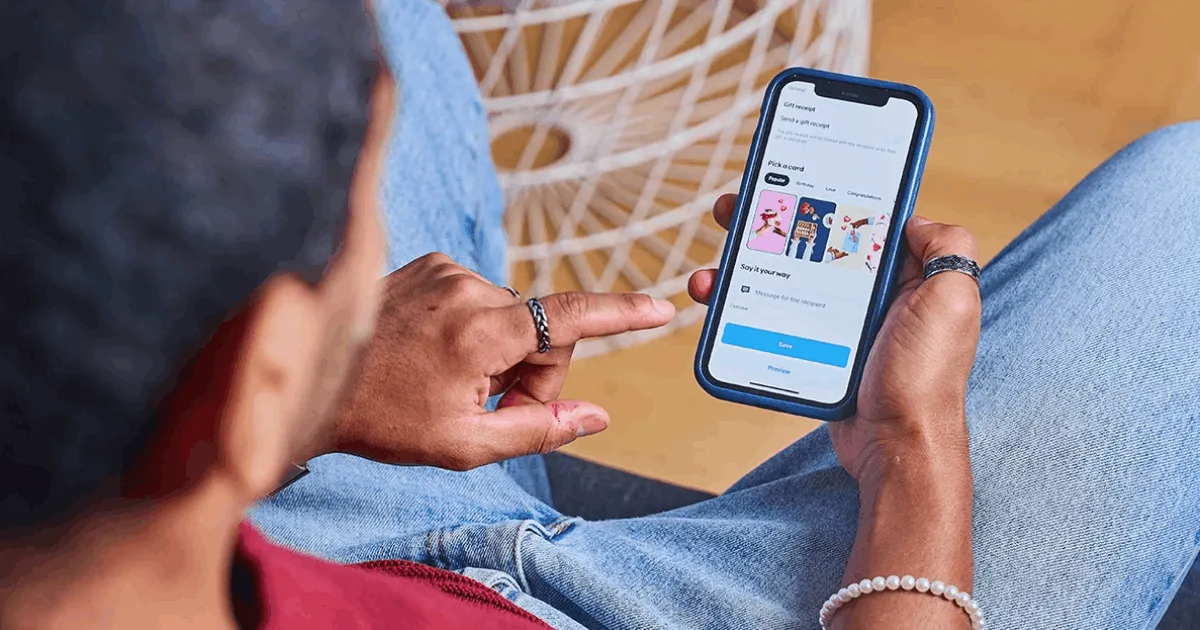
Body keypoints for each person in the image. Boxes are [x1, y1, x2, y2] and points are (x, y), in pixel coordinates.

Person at [0, 5, 1195, 630]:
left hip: (241, 522)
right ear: (252, 368)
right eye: (340, 225)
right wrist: (911, 447)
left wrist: (309, 411)